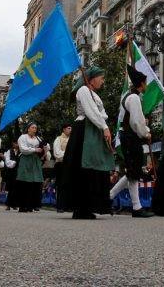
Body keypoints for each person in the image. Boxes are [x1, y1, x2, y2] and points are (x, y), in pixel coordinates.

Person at [59, 66, 115, 220]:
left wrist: (104, 125)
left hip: (93, 130)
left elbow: (102, 113)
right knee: (83, 167)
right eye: (101, 77)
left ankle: (89, 206)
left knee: (95, 167)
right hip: (84, 130)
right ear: (92, 78)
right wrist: (104, 127)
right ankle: (80, 207)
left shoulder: (95, 95)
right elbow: (91, 112)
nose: (103, 81)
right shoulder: (84, 90)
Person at [107, 65, 155, 218]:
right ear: (141, 83)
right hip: (131, 137)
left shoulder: (131, 96)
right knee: (133, 171)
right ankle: (136, 207)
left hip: (128, 136)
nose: (146, 85)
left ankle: (109, 197)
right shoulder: (133, 98)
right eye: (145, 83)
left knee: (132, 172)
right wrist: (145, 133)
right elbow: (136, 122)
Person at [15, 123, 45, 213]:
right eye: (32, 127)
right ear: (28, 129)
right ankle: (22, 205)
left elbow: (44, 148)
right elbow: (23, 149)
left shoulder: (38, 138)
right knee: (24, 182)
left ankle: (30, 205)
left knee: (34, 183)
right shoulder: (23, 137)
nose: (34, 129)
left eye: (35, 128)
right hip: (26, 160)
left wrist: (44, 150)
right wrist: (34, 150)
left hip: (35, 161)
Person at [52, 123, 71, 212]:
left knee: (69, 185)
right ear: (63, 129)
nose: (70, 130)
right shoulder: (58, 139)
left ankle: (68, 206)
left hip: (70, 165)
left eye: (71, 128)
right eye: (68, 128)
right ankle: (60, 206)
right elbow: (57, 154)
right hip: (61, 165)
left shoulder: (72, 139)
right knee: (61, 185)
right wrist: (68, 154)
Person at [2, 141, 19, 210]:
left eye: (17, 143)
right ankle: (8, 204)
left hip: (18, 172)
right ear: (13, 144)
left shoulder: (21, 152)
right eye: (15, 143)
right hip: (11, 172)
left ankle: (14, 204)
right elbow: (7, 162)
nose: (16, 144)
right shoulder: (9, 151)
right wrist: (15, 162)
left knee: (16, 188)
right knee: (10, 188)